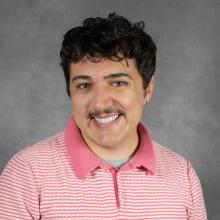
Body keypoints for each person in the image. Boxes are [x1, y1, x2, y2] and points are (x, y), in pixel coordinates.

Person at [0, 13, 207, 219]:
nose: (99, 103)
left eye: (118, 83)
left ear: (147, 89)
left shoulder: (183, 175)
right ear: (70, 91)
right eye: (84, 85)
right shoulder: (25, 173)